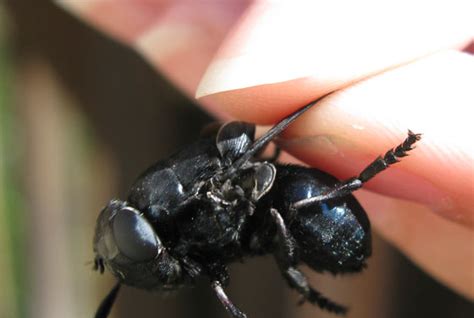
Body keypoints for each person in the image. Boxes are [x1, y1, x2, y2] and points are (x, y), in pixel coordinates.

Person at [57, 0, 474, 299]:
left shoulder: (194, 199)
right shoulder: (176, 218)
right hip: (289, 210)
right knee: (276, 214)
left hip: (318, 213)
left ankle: (370, 170)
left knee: (287, 208)